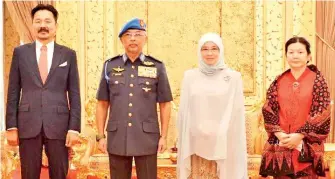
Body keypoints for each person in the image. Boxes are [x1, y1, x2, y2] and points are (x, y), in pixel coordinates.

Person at [5, 4, 81, 179]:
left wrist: (74, 128)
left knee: (59, 174)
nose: (43, 25)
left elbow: (75, 94)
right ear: (32, 25)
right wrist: (11, 126)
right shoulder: (20, 53)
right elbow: (13, 92)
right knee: (28, 174)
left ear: (55, 26)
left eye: (48, 21)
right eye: (38, 21)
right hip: (27, 124)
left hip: (59, 125)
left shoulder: (68, 55)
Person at [95, 17, 173, 179]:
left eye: (138, 34)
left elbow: (165, 103)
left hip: (146, 138)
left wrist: (164, 136)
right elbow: (102, 103)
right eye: (128, 35)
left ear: (145, 39)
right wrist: (100, 135)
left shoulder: (156, 66)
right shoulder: (110, 66)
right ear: (122, 40)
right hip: (117, 137)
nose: (132, 38)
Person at [177, 32, 248, 179]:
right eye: (205, 49)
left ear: (221, 50)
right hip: (196, 142)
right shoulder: (190, 77)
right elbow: (185, 111)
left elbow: (236, 112)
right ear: (199, 51)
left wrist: (219, 131)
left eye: (214, 48)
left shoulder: (233, 77)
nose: (209, 53)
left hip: (224, 142)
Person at [259, 37, 331, 179]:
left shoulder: (318, 81)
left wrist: (300, 135)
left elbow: (322, 112)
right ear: (286, 56)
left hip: (307, 144)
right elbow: (269, 110)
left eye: (300, 52)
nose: (295, 55)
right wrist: (279, 134)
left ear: (308, 56)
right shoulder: (278, 81)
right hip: (282, 143)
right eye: (291, 52)